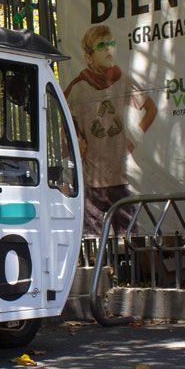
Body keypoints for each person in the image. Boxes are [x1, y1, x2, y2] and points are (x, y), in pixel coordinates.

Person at [64, 25, 157, 236]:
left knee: (129, 239)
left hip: (120, 178)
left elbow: (150, 109)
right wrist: (76, 140)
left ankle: (127, 269)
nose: (108, 50)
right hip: (92, 180)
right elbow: (61, 118)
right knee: (93, 240)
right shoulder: (78, 88)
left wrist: (133, 141)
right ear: (88, 56)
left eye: (111, 44)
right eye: (101, 45)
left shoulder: (122, 80)